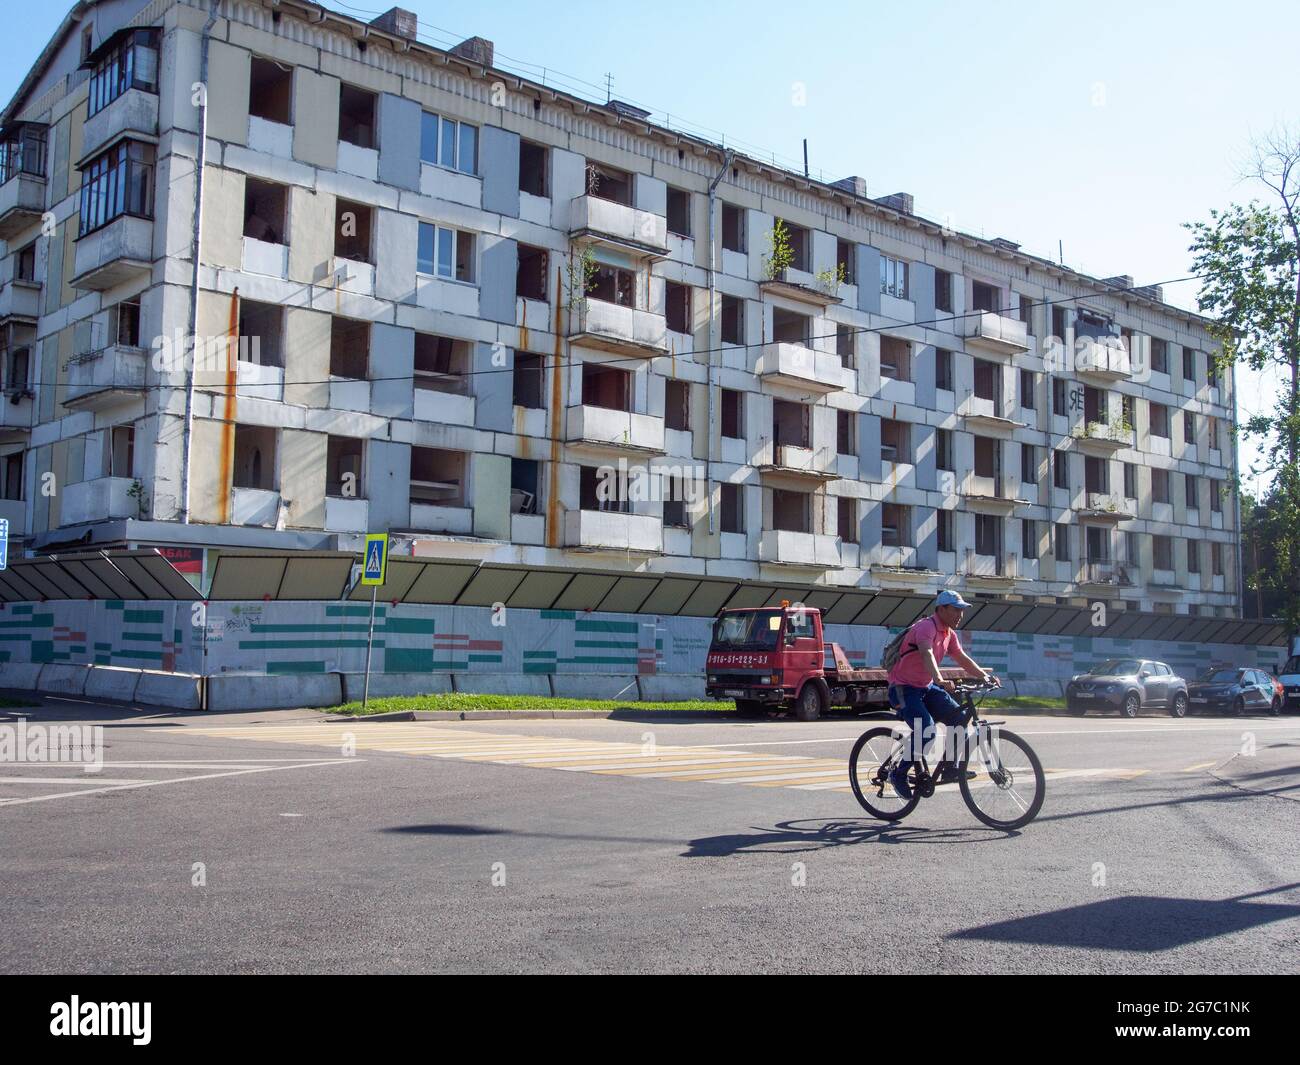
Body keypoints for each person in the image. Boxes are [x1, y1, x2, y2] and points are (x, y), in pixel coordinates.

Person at [885, 590, 999, 798]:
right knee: (926, 731)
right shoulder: (926, 627)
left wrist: (985, 677)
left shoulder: (949, 634)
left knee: (959, 720)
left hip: (925, 687)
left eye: (962, 611)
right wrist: (939, 679)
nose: (960, 615)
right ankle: (898, 774)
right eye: (956, 610)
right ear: (941, 609)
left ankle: (950, 768)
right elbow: (926, 652)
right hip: (903, 688)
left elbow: (962, 659)